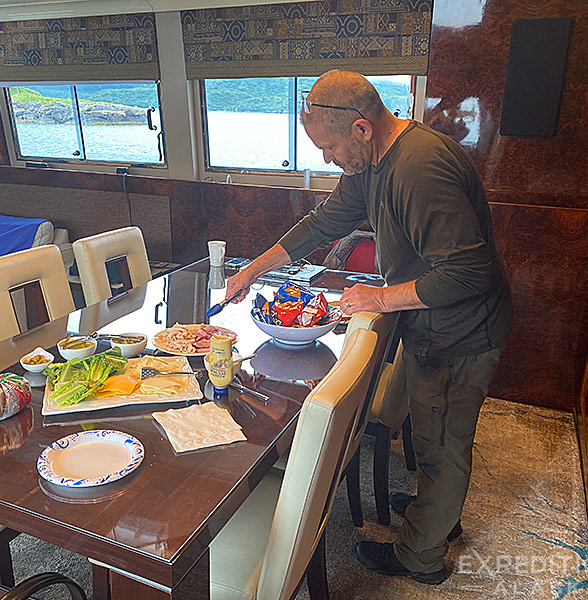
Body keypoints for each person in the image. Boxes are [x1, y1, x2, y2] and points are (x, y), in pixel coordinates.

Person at [225, 70, 513, 585]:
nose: (325, 158)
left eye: (329, 146)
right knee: (431, 437)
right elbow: (322, 224)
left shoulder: (419, 167)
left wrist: (379, 297)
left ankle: (421, 557)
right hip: (428, 323)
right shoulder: (371, 161)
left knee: (444, 443)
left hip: (459, 332)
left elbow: (470, 271)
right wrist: (252, 269)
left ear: (361, 128)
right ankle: (436, 512)